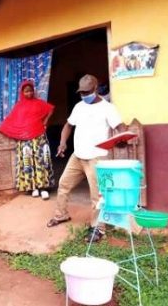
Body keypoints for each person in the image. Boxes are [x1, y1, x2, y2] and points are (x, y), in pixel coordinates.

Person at [47, 74, 125, 243]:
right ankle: (61, 215)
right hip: (78, 155)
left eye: (87, 92)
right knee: (64, 184)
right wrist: (62, 143)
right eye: (81, 93)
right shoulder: (79, 107)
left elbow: (120, 126)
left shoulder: (107, 108)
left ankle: (98, 228)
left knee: (97, 195)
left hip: (97, 158)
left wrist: (122, 138)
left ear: (95, 88)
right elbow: (68, 125)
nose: (84, 96)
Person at [0, 80, 55, 200]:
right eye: (26, 91)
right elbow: (9, 119)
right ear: (22, 92)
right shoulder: (19, 106)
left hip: (39, 136)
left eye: (31, 90)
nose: (29, 93)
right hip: (24, 138)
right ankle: (33, 188)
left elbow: (51, 109)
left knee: (41, 160)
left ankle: (43, 188)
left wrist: (46, 122)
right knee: (28, 162)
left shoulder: (39, 103)